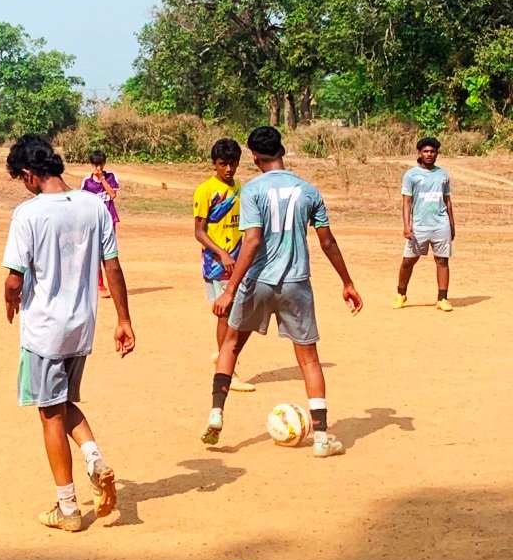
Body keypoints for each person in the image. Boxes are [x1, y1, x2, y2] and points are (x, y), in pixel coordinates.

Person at [201, 126, 362, 458]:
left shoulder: (252, 191)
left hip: (256, 282)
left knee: (231, 344)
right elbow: (327, 241)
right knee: (309, 359)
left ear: (255, 157)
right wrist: (347, 281)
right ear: (282, 150)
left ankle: (216, 413)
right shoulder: (308, 191)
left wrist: (230, 290)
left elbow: (253, 241)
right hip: (295, 283)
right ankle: (321, 438)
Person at [3, 134, 136, 532]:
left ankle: (67, 507)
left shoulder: (28, 214)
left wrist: (10, 300)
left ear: (29, 174)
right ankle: (95, 458)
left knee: (49, 414)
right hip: (82, 325)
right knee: (61, 402)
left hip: (45, 328)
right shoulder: (93, 204)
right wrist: (124, 319)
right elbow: (112, 266)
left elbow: (14, 278)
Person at [192, 138, 256, 393]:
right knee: (226, 314)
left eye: (232, 164)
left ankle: (223, 357)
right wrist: (222, 254)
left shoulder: (239, 187)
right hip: (218, 263)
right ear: (214, 164)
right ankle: (227, 368)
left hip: (239, 261)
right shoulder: (206, 190)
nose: (228, 169)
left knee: (241, 313)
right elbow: (199, 231)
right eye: (223, 164)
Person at [393, 137, 456, 312]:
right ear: (420, 153)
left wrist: (452, 224)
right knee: (408, 261)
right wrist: (407, 225)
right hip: (419, 225)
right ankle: (401, 293)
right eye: (426, 151)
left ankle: (442, 298)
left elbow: (447, 201)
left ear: (437, 154)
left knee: (442, 260)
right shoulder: (411, 175)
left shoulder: (443, 174)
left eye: (432, 151)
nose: (429, 154)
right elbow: (406, 202)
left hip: (440, 224)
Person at [80, 149, 121, 298]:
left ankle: (111, 283)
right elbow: (83, 201)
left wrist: (103, 180)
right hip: (93, 220)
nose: (98, 168)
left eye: (100, 165)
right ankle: (99, 284)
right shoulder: (86, 181)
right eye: (95, 165)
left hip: (109, 219)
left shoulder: (111, 177)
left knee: (109, 252)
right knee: (95, 252)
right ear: (91, 165)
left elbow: (112, 194)